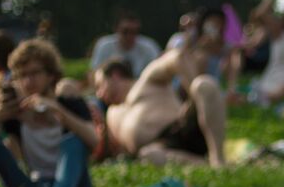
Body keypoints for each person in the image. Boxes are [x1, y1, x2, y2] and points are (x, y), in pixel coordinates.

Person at [0, 38, 96, 187]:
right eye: (22, 75)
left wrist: (59, 111)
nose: (28, 81)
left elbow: (94, 140)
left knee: (73, 141)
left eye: (34, 73)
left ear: (50, 75)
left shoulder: (68, 101)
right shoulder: (16, 113)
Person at [94, 44, 227, 166]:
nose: (99, 94)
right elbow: (108, 149)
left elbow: (177, 57)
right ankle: (207, 165)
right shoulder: (111, 113)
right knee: (148, 155)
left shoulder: (146, 81)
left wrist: (192, 95)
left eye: (100, 85)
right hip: (162, 149)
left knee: (204, 85)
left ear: (115, 76)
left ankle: (218, 158)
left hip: (184, 128)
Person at [88, 13, 161, 78]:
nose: (129, 36)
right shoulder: (104, 45)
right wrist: (109, 64)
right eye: (125, 32)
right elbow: (93, 74)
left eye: (134, 32)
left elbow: (159, 74)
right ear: (116, 29)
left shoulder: (149, 47)